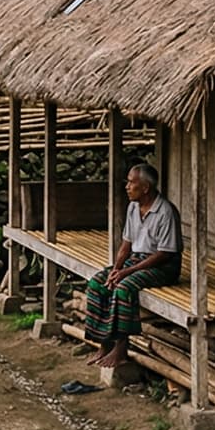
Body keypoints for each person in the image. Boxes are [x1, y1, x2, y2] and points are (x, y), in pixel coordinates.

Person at [65, 161, 181, 393]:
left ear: (145, 187)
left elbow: (165, 253)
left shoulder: (165, 211)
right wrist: (116, 269)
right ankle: (104, 343)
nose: (127, 186)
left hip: (163, 266)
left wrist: (126, 273)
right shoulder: (133, 208)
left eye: (131, 182)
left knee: (124, 288)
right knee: (98, 282)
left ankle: (121, 346)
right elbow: (126, 245)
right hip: (136, 260)